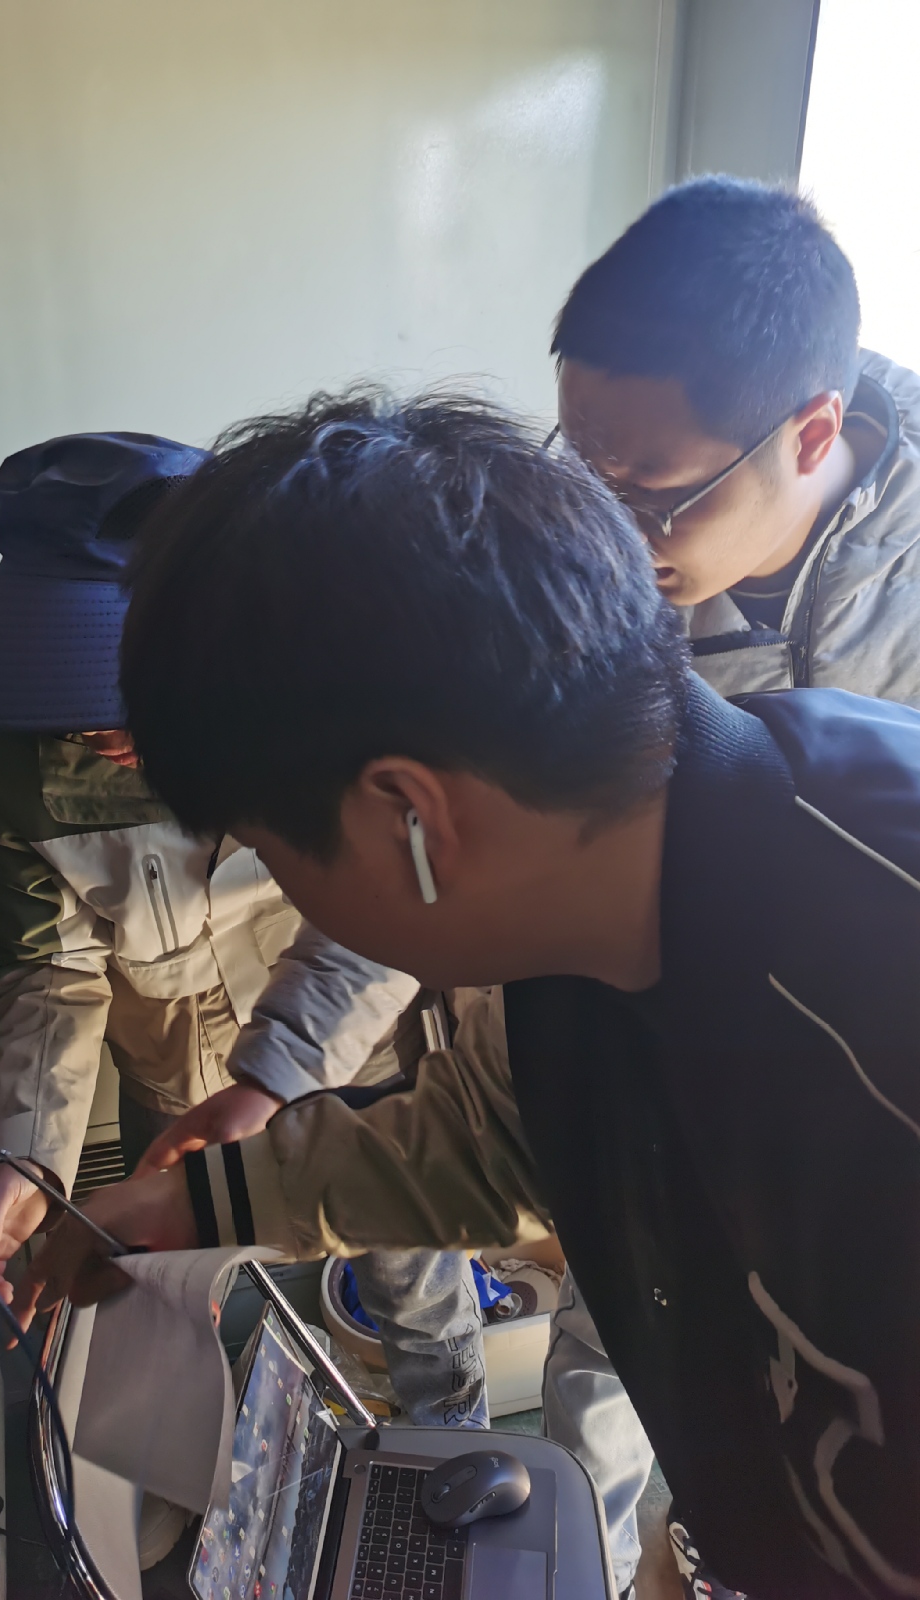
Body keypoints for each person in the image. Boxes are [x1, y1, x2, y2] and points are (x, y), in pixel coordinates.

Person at [12, 391, 920, 1600]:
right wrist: (196, 1203)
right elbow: (495, 1133)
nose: (303, 913)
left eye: (277, 858)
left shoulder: (875, 993)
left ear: (411, 816)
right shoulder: (603, 911)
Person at [0, 431, 495, 1440]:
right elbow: (49, 969)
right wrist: (23, 1162)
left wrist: (274, 1076)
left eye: (124, 677)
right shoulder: (8, 774)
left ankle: (454, 1454)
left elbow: (384, 920)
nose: (97, 721)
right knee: (211, 1301)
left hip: (359, 1069)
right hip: (176, 1087)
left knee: (415, 1285)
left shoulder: (339, 715)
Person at [544, 175, 920, 1595]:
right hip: (669, 1092)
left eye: (648, 490)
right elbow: (486, 810)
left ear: (813, 430)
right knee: (625, 1395)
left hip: (872, 1186)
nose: (606, 527)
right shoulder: (608, 573)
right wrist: (279, 1068)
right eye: (579, 469)